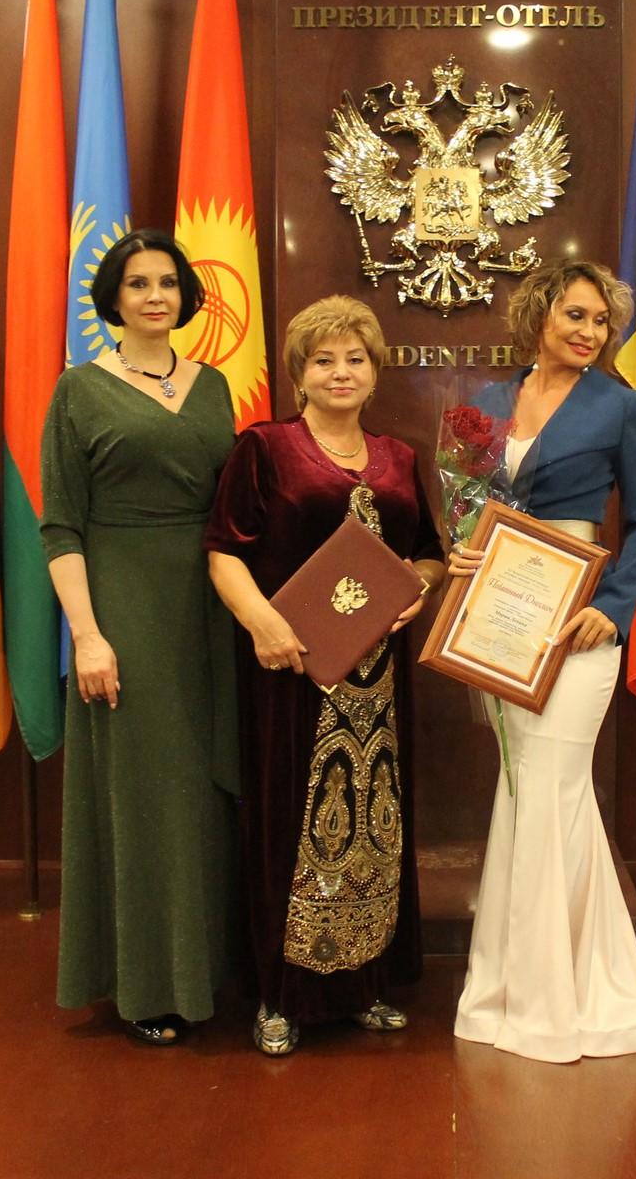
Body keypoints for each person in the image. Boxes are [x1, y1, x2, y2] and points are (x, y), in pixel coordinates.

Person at [451, 259, 636, 1063]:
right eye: (577, 315)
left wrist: (614, 608)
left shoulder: (619, 405)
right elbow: (467, 506)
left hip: (580, 619)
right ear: (539, 314)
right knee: (523, 786)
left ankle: (561, 994)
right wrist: (459, 552)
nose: (591, 332)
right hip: (501, 616)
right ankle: (517, 981)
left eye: (602, 321)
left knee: (554, 785)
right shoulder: (488, 402)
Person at [204, 296, 447, 1057]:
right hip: (291, 673)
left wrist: (419, 588)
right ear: (299, 372)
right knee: (288, 820)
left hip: (379, 681)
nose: (341, 372)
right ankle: (279, 997)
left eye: (355, 359)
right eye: (324, 360)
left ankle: (363, 986)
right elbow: (223, 551)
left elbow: (429, 553)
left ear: (375, 371)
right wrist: (263, 623)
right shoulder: (265, 449)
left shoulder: (399, 457)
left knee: (376, 822)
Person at [40, 229, 241, 1046]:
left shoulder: (214, 385)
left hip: (213, 606)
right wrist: (87, 635)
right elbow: (61, 526)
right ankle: (151, 985)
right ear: (113, 300)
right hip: (124, 606)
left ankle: (211, 968)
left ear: (186, 295)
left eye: (167, 282)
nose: (155, 295)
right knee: (148, 790)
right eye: (137, 283)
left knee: (207, 787)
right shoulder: (79, 390)